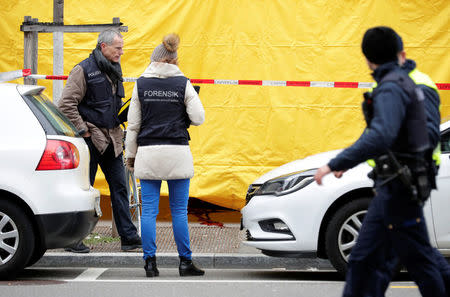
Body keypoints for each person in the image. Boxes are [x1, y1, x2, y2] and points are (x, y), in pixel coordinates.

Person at [314, 26, 447, 297]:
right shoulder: (398, 83)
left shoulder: (395, 86)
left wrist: (336, 162)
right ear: (399, 53)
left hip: (400, 184)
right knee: (382, 258)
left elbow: (384, 133)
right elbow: (380, 130)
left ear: (367, 58)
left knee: (405, 258)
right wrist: (347, 162)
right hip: (397, 183)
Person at [125, 33, 205, 277]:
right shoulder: (183, 84)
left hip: (148, 153)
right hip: (177, 151)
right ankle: (185, 262)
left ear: (154, 61)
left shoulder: (141, 84)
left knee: (149, 211)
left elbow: (133, 125)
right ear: (174, 60)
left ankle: (150, 263)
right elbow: (199, 118)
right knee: (179, 210)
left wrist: (130, 156)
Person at [58, 28, 142, 253]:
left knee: (120, 189)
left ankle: (128, 237)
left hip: (112, 139)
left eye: (122, 48)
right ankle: (73, 240)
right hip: (91, 140)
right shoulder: (82, 70)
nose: (122, 52)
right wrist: (83, 130)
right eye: (118, 48)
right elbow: (65, 105)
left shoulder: (114, 68)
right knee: (84, 191)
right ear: (103, 47)